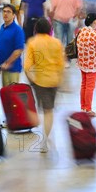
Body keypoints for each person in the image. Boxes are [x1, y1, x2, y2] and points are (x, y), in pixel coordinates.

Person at [24, 18, 64, 153]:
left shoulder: (32, 43)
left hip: (40, 81)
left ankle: (44, 141)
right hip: (54, 81)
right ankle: (45, 139)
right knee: (49, 111)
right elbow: (61, 65)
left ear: (36, 29)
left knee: (40, 109)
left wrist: (32, 80)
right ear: (49, 29)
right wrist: (60, 79)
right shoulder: (57, 43)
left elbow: (27, 67)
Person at [76, 13, 96, 117]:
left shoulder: (81, 32)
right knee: (89, 87)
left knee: (84, 85)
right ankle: (88, 109)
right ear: (94, 22)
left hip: (82, 62)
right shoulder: (95, 34)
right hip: (92, 64)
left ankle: (83, 107)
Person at [0, 4, 25, 88]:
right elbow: (0, 49)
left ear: (13, 15)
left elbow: (19, 50)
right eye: (4, 11)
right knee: (6, 96)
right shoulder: (2, 28)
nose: (5, 14)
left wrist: (7, 63)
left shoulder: (17, 30)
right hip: (4, 68)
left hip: (13, 69)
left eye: (8, 12)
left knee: (12, 96)